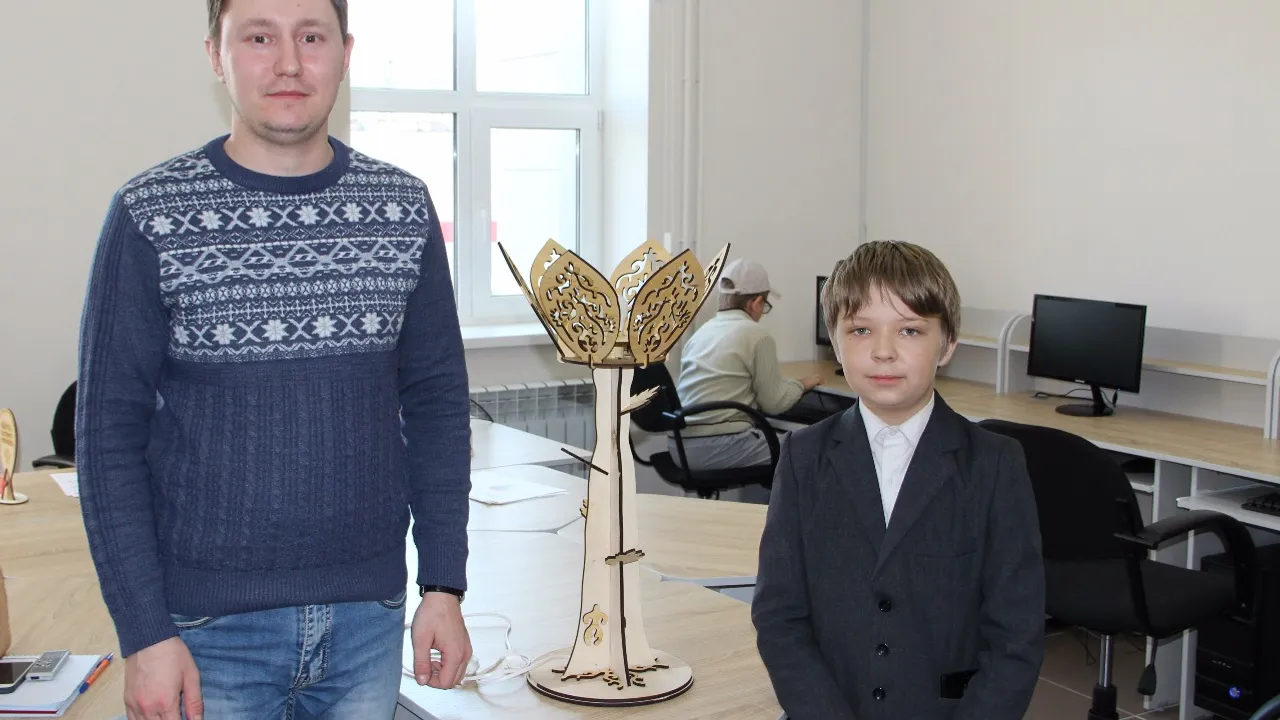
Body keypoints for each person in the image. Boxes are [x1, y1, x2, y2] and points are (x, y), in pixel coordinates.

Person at [74, 1, 472, 718]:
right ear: (215, 54)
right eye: (259, 37)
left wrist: (443, 584)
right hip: (204, 633)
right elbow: (106, 440)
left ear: (345, 53)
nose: (289, 62)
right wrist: (144, 631)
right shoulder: (149, 214)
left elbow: (438, 406)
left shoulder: (403, 209)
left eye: (311, 37)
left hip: (368, 622)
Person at [750, 240, 1044, 719]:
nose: (883, 352)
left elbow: (1016, 636)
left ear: (947, 345)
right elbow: (779, 616)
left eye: (909, 330)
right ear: (836, 343)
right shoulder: (804, 457)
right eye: (861, 330)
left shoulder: (995, 465)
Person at [670, 259, 822, 471]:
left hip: (679, 448)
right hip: (721, 446)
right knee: (816, 449)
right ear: (756, 302)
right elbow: (775, 403)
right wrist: (802, 384)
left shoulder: (701, 333)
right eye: (765, 305)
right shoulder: (756, 334)